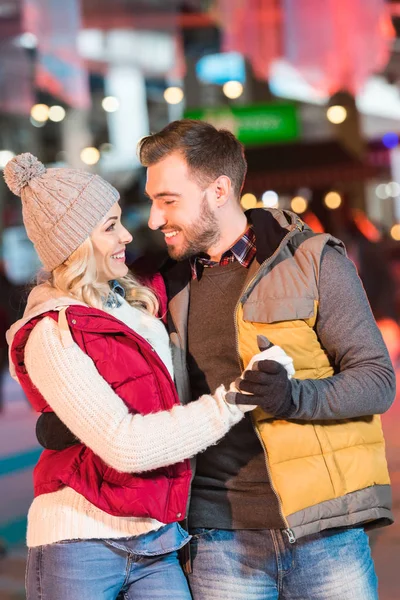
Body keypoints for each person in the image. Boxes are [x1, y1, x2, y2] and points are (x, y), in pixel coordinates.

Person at [37, 120, 395, 600]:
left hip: (322, 532)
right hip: (216, 540)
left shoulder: (312, 261)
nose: (155, 219)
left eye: (169, 200)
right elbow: (119, 369)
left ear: (219, 190)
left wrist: (293, 397)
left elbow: (376, 380)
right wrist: (67, 422)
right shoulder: (162, 289)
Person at [4, 152, 289, 600]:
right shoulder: (52, 332)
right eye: (110, 226)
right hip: (81, 542)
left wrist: (264, 231)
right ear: (75, 243)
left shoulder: (138, 303)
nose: (127, 234)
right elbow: (128, 444)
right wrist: (235, 399)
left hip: (157, 538)